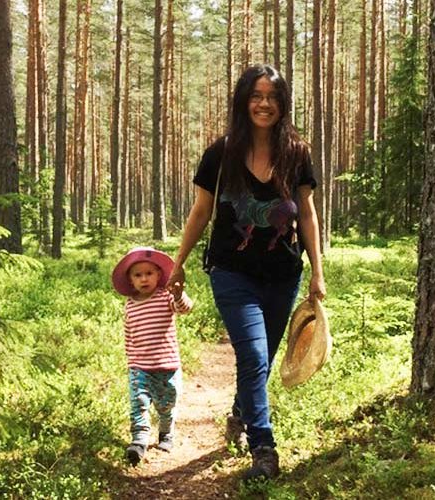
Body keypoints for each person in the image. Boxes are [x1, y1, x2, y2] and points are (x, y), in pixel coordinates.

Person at [167, 64, 326, 481]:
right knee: (254, 354)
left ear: (282, 103)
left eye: (272, 97)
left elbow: (306, 214)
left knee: (264, 359)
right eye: (256, 95)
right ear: (243, 100)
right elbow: (201, 211)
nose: (264, 104)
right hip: (231, 270)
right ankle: (264, 448)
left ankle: (240, 412)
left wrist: (317, 272)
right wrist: (178, 263)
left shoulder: (297, 152)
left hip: (284, 272)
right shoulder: (221, 153)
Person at [111, 246, 194, 466]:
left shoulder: (165, 296)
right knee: (138, 402)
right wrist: (131, 361)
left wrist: (178, 294)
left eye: (149, 273)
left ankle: (166, 432)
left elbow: (184, 308)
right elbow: (129, 335)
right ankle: (139, 440)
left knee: (166, 403)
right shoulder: (130, 304)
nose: (144, 279)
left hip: (167, 364)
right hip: (140, 366)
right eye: (138, 275)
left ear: (159, 275)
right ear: (130, 280)